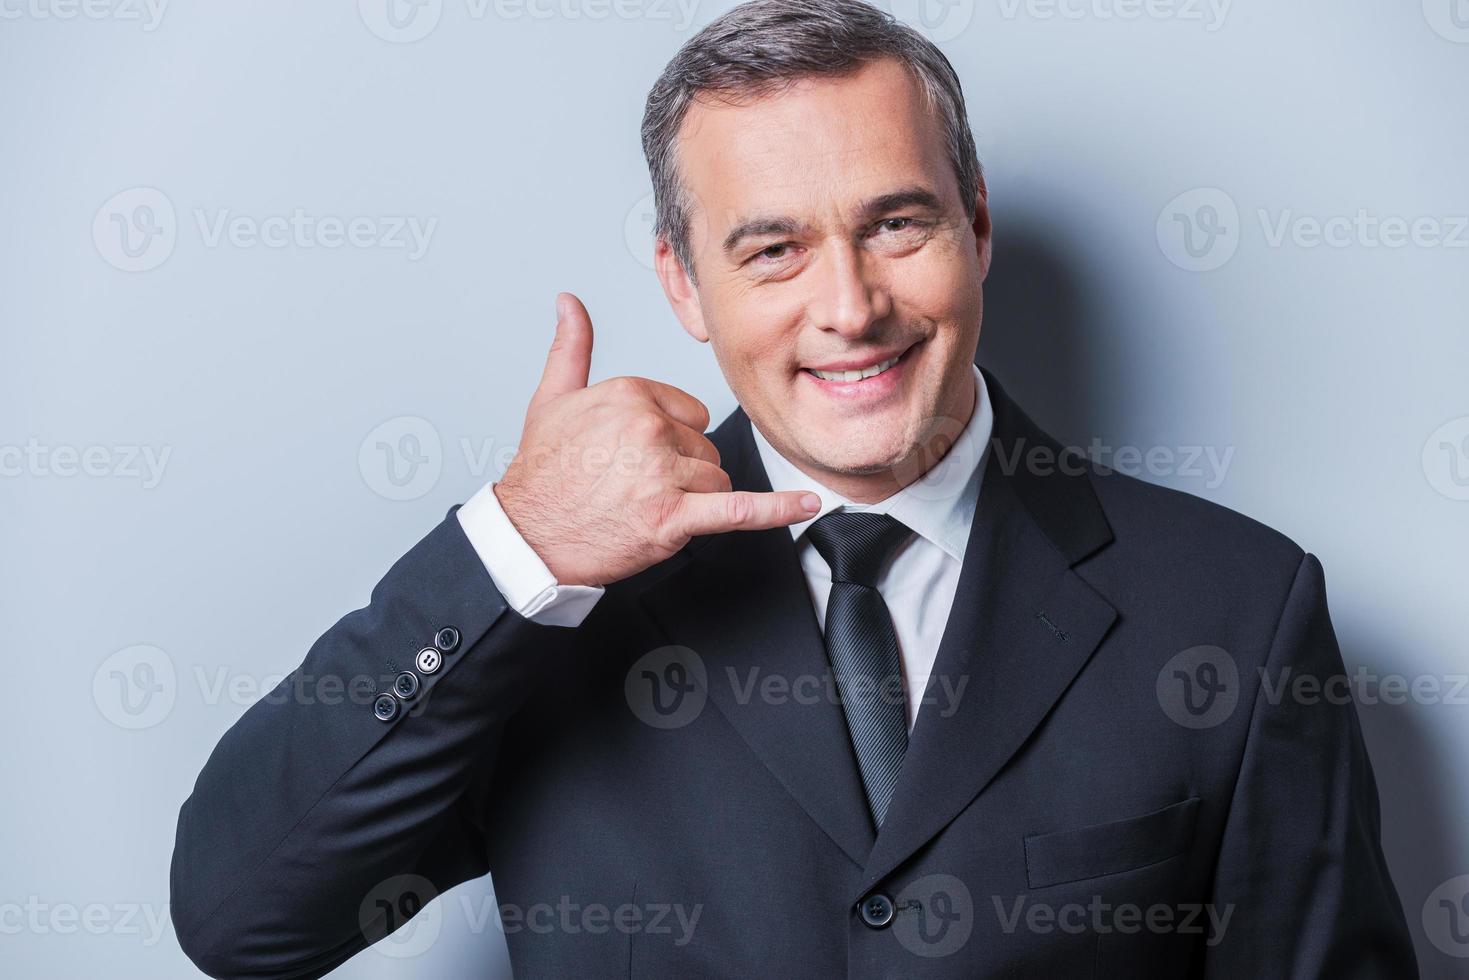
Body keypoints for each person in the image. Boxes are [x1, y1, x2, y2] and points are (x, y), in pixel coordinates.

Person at [170, 1, 1416, 976]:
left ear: (974, 227)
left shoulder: (1235, 609)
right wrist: (517, 545)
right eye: (771, 249)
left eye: (895, 225)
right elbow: (241, 916)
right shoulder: (550, 606)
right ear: (682, 286)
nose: (848, 307)